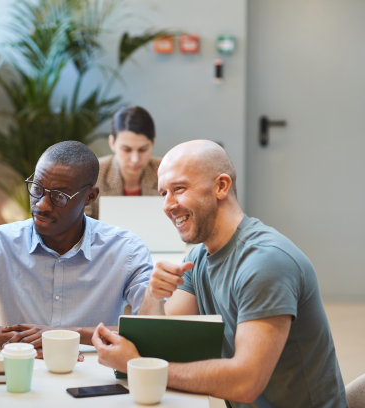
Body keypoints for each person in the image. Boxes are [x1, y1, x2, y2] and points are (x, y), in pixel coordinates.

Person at [92, 140, 347, 407]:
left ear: (221, 186)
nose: (168, 205)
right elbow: (160, 342)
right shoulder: (198, 258)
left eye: (179, 189)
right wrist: (153, 295)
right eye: (163, 193)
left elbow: (245, 382)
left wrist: (137, 365)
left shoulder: (266, 262)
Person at [0, 140, 152, 353]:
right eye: (37, 188)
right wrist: (18, 339)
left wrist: (63, 336)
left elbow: (153, 327)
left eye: (59, 196)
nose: (41, 205)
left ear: (90, 197)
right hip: (19, 372)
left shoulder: (127, 251)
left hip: (96, 375)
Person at [85, 106, 161, 219]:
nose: (135, 159)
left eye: (143, 149)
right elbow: (82, 225)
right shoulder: (92, 174)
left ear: (153, 143)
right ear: (112, 143)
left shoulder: (166, 172)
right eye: (126, 150)